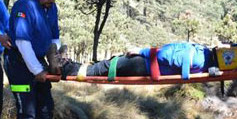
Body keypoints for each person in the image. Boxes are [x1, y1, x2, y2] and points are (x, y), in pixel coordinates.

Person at [59, 42, 217, 79]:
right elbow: (167, 57)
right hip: (142, 66)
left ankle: (64, 67)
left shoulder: (199, 56)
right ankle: (66, 65)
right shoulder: (203, 61)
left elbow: (165, 56)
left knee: (104, 67)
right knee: (103, 67)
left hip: (141, 65)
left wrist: (141, 51)